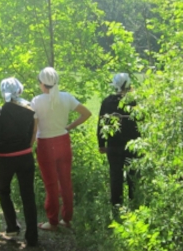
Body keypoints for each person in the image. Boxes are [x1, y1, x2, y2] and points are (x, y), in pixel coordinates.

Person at [31, 67, 92, 231]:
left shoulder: (36, 101)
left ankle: (52, 221)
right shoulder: (66, 97)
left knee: (51, 184)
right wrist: (69, 127)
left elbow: (34, 128)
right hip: (63, 141)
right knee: (66, 182)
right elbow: (86, 113)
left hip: (45, 144)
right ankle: (67, 218)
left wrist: (30, 145)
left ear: (42, 83)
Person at [0, 77, 39, 247]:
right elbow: (31, 135)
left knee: (4, 192)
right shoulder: (29, 111)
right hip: (25, 156)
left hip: (5, 159)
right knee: (28, 195)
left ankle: (12, 227)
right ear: (19, 90)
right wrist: (26, 148)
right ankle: (32, 236)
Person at [98, 73, 141, 208]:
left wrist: (101, 144)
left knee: (115, 175)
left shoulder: (107, 102)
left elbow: (101, 124)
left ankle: (116, 205)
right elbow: (142, 121)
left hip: (113, 145)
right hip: (133, 145)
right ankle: (134, 203)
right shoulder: (134, 101)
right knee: (133, 175)